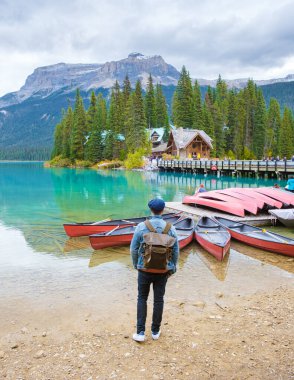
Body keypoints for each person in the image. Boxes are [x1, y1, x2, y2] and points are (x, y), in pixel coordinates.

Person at [130, 198, 179, 342]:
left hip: (144, 269)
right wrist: (172, 268)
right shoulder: (170, 228)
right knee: (158, 300)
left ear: (150, 210)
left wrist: (136, 264)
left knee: (142, 298)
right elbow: (176, 250)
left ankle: (140, 332)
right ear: (163, 210)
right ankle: (155, 332)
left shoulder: (141, 226)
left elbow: (133, 249)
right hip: (163, 270)